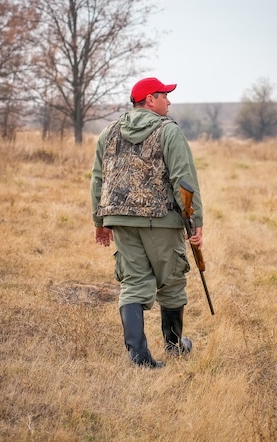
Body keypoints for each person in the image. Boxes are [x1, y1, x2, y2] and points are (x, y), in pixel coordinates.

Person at [91, 77, 203, 368]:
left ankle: (139, 357)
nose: (169, 101)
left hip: (120, 220)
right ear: (149, 100)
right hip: (161, 220)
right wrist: (195, 221)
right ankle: (175, 346)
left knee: (133, 282)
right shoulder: (169, 131)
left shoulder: (109, 132)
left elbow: (98, 180)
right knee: (172, 281)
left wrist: (99, 221)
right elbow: (184, 180)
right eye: (164, 95)